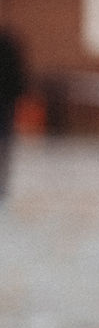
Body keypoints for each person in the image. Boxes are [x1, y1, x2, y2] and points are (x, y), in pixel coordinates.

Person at [0, 25, 27, 199]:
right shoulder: (8, 44)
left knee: (4, 142)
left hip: (5, 101)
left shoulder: (7, 44)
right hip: (6, 101)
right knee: (4, 143)